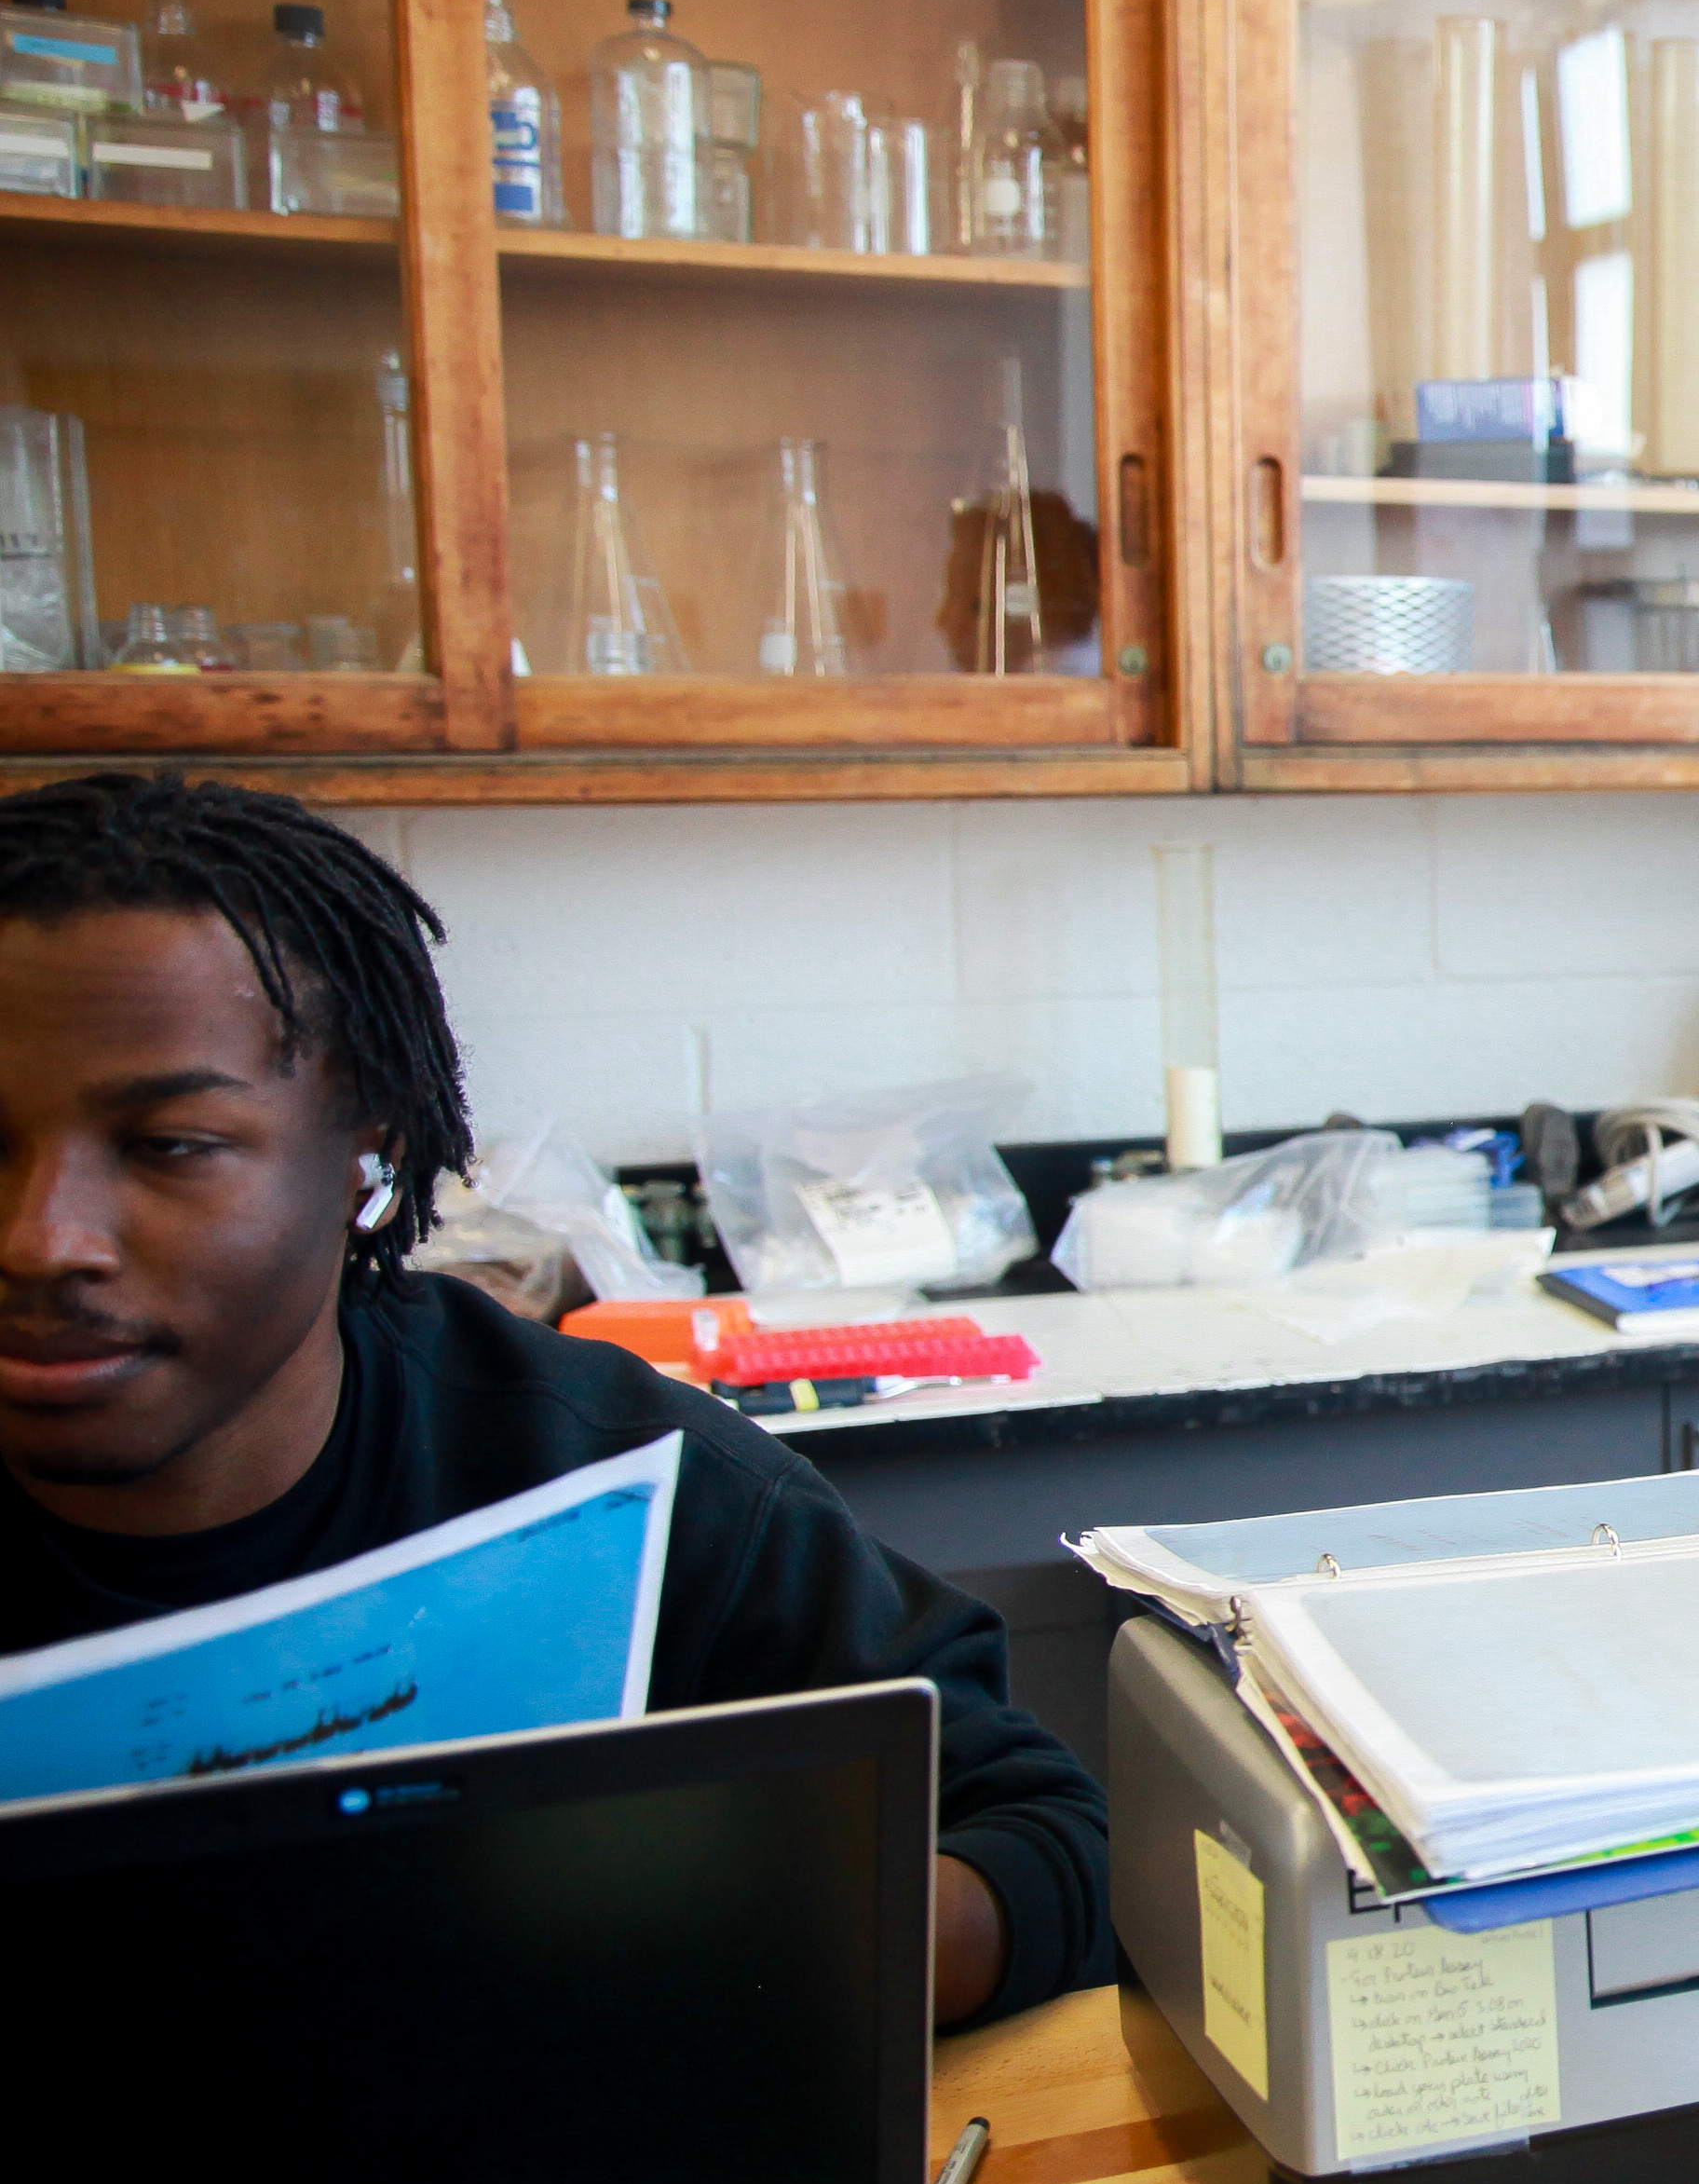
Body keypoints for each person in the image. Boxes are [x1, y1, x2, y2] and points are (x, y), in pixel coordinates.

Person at [0, 771, 1103, 2027]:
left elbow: (1042, 1844)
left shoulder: (606, 1482)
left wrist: (727, 1929)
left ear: (376, 1155)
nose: (45, 1242)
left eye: (168, 1147)